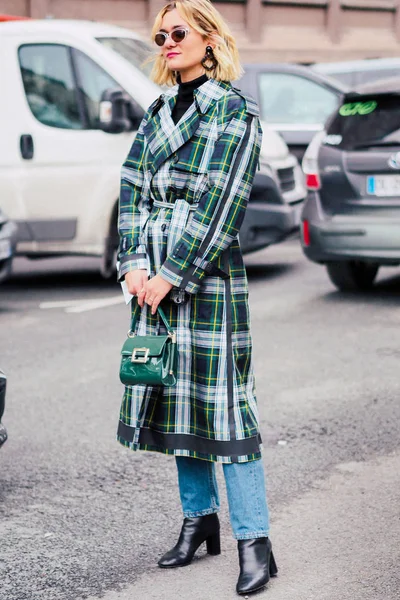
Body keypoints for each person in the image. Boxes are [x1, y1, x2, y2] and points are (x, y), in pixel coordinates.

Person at [117, 0, 277, 594]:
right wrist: (134, 263)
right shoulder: (157, 109)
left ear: (210, 39)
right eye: (160, 35)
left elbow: (223, 202)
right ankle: (198, 521)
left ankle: (254, 542)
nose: (167, 42)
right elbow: (131, 186)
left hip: (205, 281)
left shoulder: (233, 110)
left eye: (178, 32)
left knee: (226, 406)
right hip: (151, 279)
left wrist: (171, 273)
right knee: (175, 400)